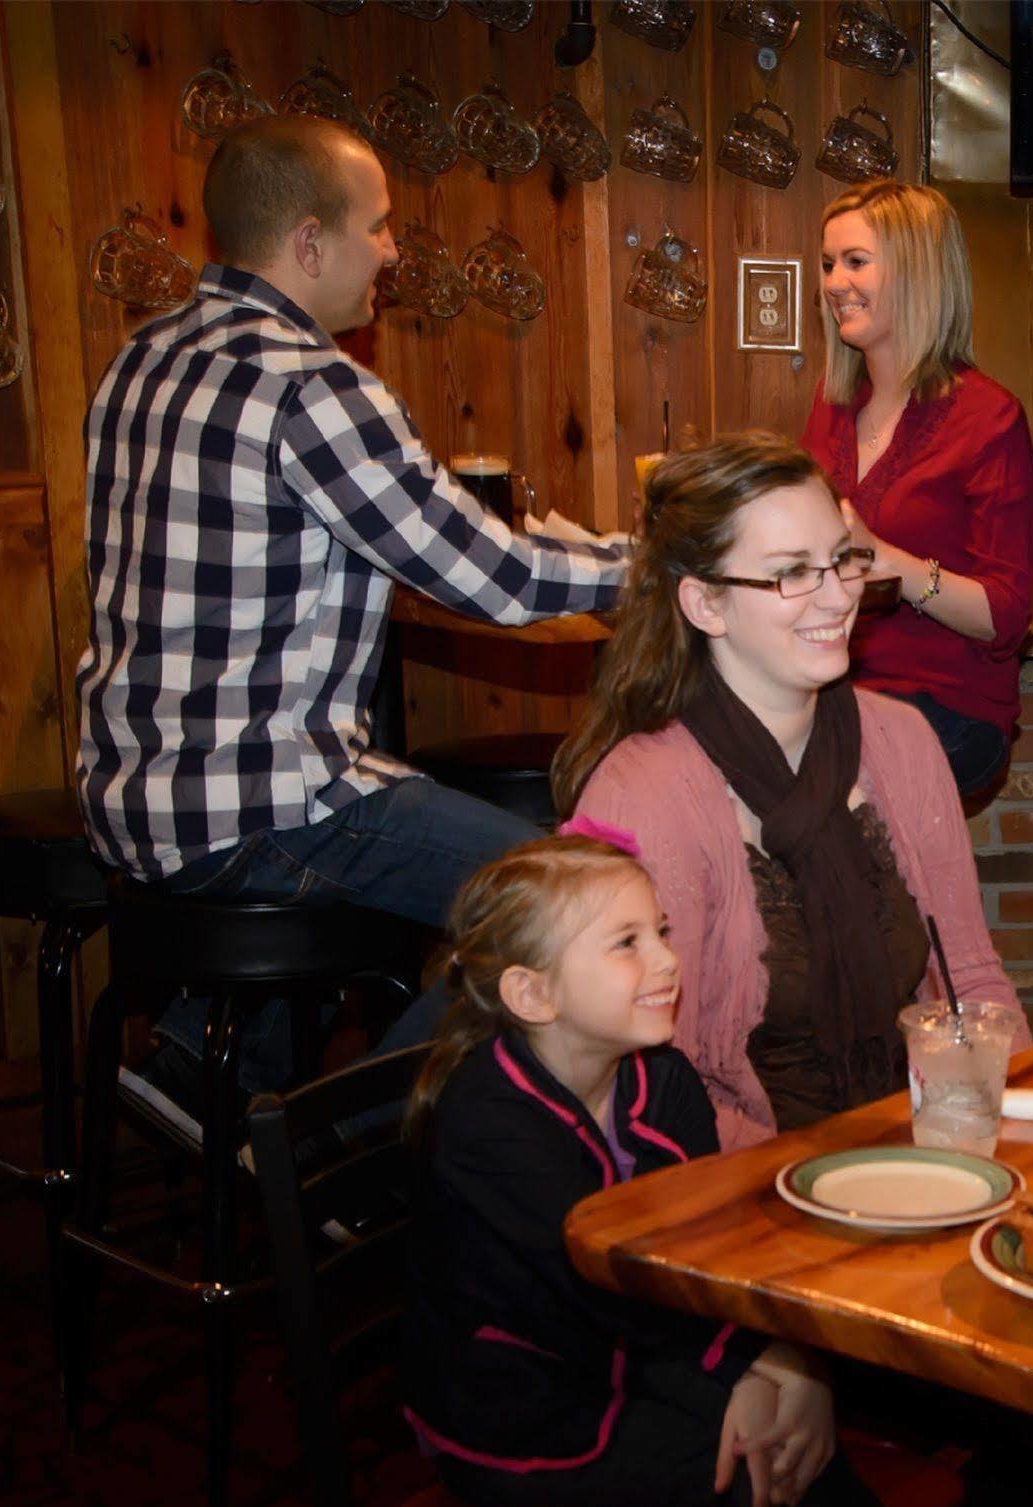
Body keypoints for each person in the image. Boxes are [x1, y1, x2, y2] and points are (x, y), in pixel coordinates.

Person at [74, 114, 627, 1139]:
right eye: (378, 227)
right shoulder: (313, 386)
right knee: (572, 904)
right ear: (309, 243)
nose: (393, 250)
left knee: (390, 789)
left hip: (128, 800)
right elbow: (490, 576)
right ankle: (335, 1152)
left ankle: (200, 1060)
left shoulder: (140, 359)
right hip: (254, 811)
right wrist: (648, 567)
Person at [400, 832, 904, 1507]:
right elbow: (603, 1296)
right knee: (773, 1454)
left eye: (661, 933)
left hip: (635, 1350)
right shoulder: (489, 1123)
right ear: (534, 996)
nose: (668, 961)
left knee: (825, 1412)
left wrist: (791, 1361)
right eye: (627, 944)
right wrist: (758, 1374)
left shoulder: (661, 1079)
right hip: (522, 1404)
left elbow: (705, 1256)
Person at [554, 431, 1025, 1150]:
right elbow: (646, 1081)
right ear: (705, 605)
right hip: (739, 1178)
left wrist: (1004, 1122)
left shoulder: (901, 743)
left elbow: (969, 974)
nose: (838, 596)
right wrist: (822, 1175)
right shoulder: (643, 795)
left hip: (914, 1149)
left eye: (842, 558)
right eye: (791, 574)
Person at [800, 180, 1033, 800]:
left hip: (949, 704)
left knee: (812, 785)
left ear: (918, 273)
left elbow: (1005, 614)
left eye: (855, 262)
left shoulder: (988, 418)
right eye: (828, 264)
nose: (832, 283)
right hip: (835, 693)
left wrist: (885, 560)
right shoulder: (832, 406)